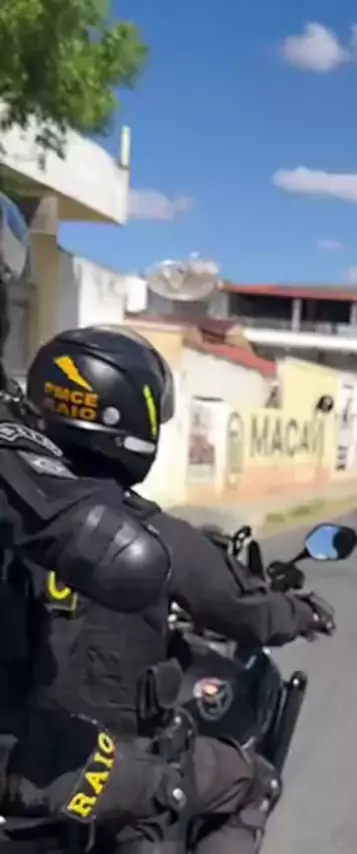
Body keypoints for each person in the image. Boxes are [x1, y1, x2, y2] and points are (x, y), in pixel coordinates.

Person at [0, 194, 274, 854]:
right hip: (28, 760)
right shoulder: (60, 491)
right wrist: (302, 611)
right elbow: (151, 568)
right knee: (210, 785)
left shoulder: (22, 442)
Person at [21, 323, 336, 852]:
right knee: (251, 783)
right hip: (106, 768)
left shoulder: (12, 514)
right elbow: (248, 610)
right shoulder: (149, 535)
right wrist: (302, 613)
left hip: (17, 759)